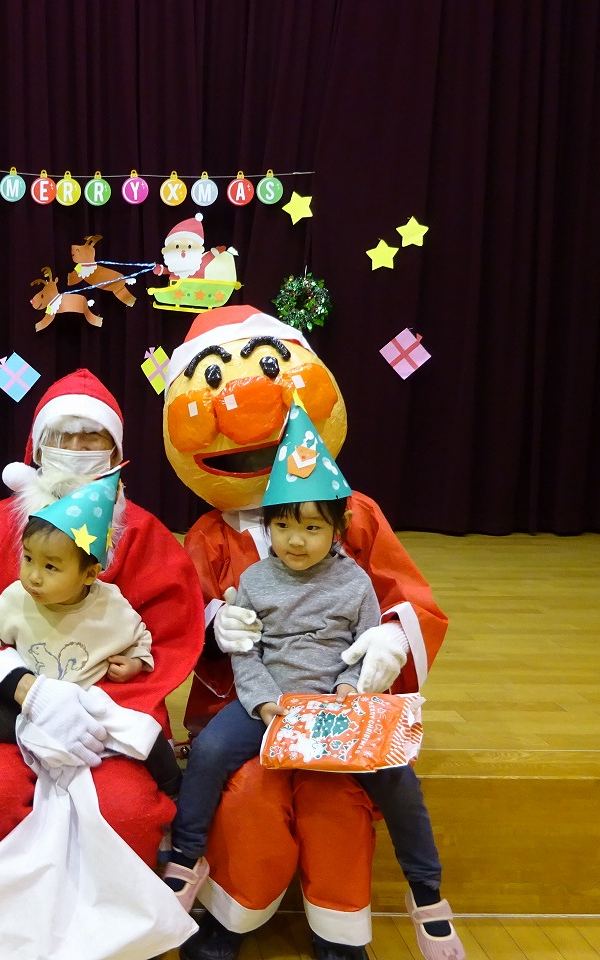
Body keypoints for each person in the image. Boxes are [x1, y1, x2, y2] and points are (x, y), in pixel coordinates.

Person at [160, 305, 450, 960]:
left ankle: (340, 932)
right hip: (249, 703)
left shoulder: (357, 515)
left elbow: (408, 600)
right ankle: (227, 915)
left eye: (267, 367)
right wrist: (215, 624)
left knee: (337, 800)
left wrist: (389, 640)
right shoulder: (210, 536)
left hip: (338, 703)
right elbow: (180, 617)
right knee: (248, 796)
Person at [0, 368, 205, 876]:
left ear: (115, 452)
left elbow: (168, 637)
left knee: (127, 812)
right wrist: (24, 689)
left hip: (109, 716)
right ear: (37, 446)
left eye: (92, 436)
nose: (76, 448)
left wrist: (102, 699)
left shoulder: (145, 534)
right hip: (8, 713)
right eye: (63, 436)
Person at [0, 472, 182, 819]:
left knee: (145, 735)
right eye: (28, 559)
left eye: (50, 566)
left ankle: (175, 793)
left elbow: (141, 636)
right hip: (27, 703)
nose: (33, 576)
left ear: (90, 574)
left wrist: (136, 663)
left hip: (86, 706)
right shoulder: (18, 598)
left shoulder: (111, 606)